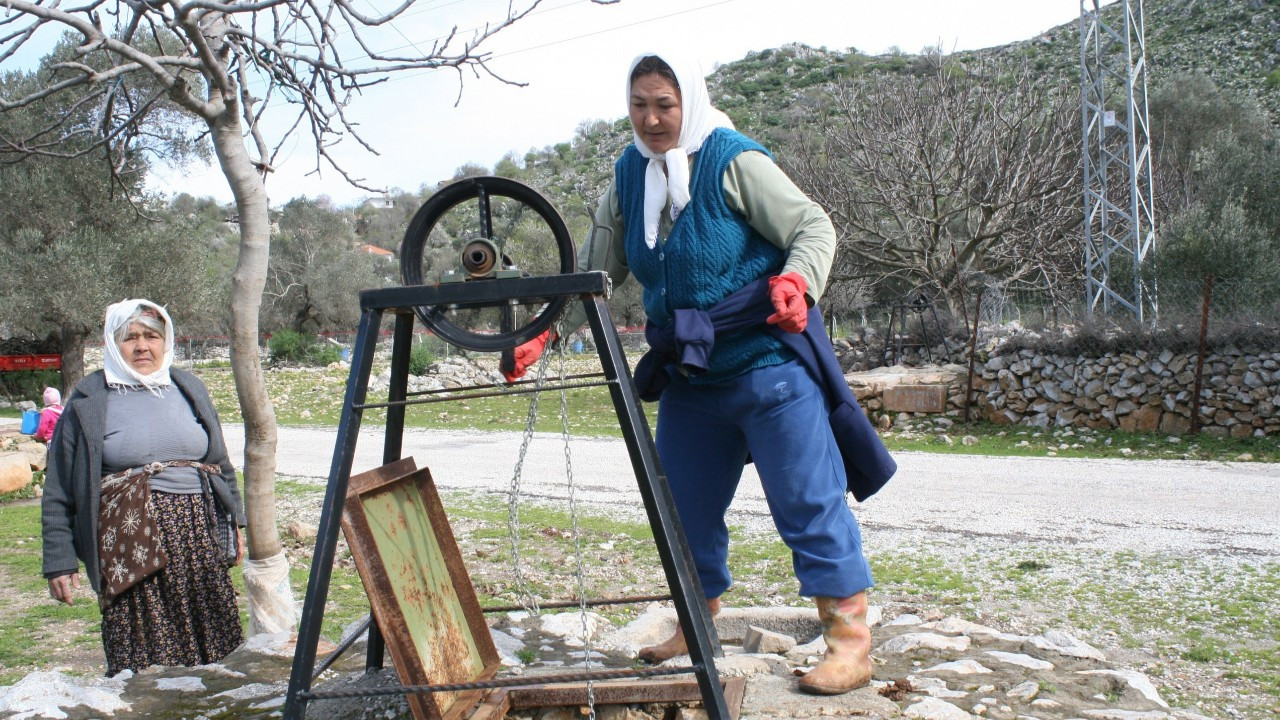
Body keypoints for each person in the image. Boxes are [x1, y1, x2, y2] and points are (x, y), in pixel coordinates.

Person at [503, 52, 895, 695]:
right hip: (692, 375)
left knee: (807, 502)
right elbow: (597, 272)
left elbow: (811, 225)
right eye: (640, 105)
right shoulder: (628, 173)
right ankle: (696, 624)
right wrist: (544, 331)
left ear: (688, 100)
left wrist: (796, 281)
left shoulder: (733, 160)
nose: (653, 118)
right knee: (681, 507)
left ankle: (850, 644)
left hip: (767, 368)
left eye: (666, 103)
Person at [42, 299, 246, 676]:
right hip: (128, 542)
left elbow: (220, 464)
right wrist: (59, 560)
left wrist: (237, 525)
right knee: (144, 659)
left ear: (165, 341)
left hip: (196, 535)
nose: (142, 346)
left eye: (152, 336)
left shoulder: (188, 388)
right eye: (130, 337)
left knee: (217, 652)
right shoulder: (88, 400)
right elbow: (59, 489)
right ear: (111, 343)